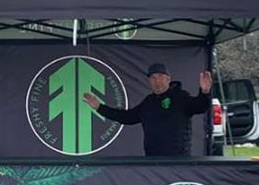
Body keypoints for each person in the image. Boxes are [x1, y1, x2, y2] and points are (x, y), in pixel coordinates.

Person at [83, 63, 212, 157]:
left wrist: (204, 92)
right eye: (153, 78)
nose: (157, 81)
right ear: (149, 81)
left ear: (168, 79)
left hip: (178, 160)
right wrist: (99, 107)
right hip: (152, 161)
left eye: (160, 77)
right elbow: (127, 117)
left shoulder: (180, 97)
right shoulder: (148, 102)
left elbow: (199, 106)